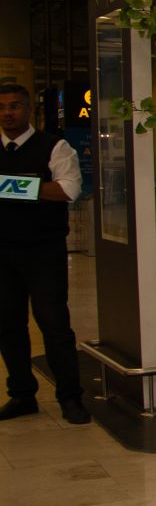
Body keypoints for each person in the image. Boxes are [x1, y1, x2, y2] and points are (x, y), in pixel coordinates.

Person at [0, 81, 87, 425]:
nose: (8, 113)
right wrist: (30, 187)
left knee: (54, 324)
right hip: (2, 252)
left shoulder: (55, 146)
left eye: (15, 106)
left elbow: (69, 189)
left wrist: (8, 186)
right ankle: (22, 395)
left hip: (43, 251)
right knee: (8, 325)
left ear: (28, 109)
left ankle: (70, 397)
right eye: (2, 107)